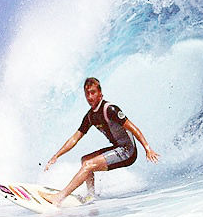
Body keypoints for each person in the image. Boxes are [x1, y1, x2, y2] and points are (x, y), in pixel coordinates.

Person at [41, 77, 159, 206]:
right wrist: (56, 155)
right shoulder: (90, 116)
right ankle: (91, 196)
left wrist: (147, 149)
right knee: (85, 160)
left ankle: (59, 197)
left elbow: (133, 128)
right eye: (87, 94)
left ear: (100, 93)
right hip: (117, 147)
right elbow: (75, 138)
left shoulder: (111, 110)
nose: (90, 97)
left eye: (93, 92)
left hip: (127, 151)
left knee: (88, 165)